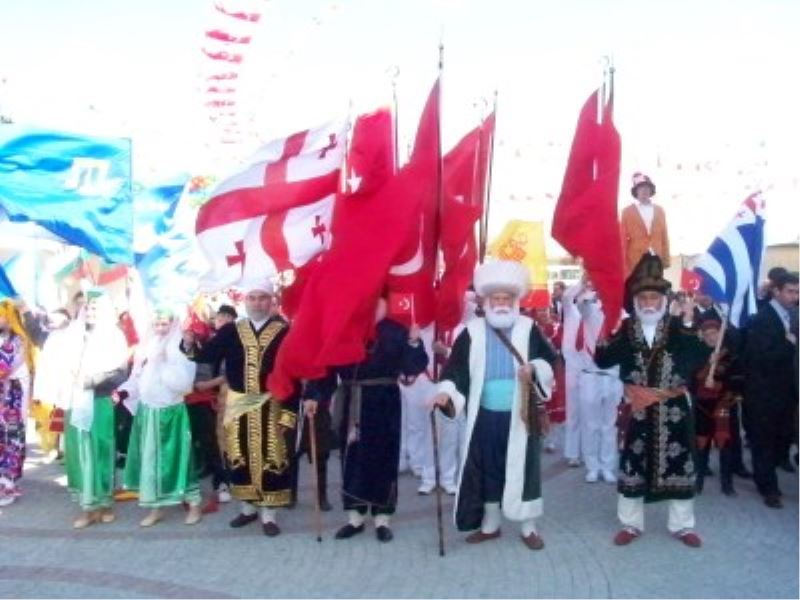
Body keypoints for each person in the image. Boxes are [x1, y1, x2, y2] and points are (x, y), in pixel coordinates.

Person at [430, 260, 556, 551]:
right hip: (484, 415)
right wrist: (446, 392)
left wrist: (534, 369)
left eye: (506, 299)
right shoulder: (471, 332)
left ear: (515, 301)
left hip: (520, 414)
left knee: (525, 469)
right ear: (486, 301)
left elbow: (551, 360)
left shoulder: (529, 328)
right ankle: (491, 524)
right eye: (496, 299)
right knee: (487, 468)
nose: (501, 304)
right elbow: (455, 369)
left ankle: (528, 527)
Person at [594, 254, 709, 548]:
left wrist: (694, 328)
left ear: (663, 299)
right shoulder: (626, 329)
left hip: (673, 409)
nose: (648, 302)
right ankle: (631, 524)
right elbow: (604, 360)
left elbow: (697, 358)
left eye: (653, 297)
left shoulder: (678, 327)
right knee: (633, 463)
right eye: (643, 297)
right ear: (635, 300)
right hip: (639, 411)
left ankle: (682, 526)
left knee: (679, 463)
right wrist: (603, 334)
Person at [303, 297, 428, 543]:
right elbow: (326, 369)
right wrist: (314, 395)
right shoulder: (344, 330)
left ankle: (382, 518)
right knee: (352, 459)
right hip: (352, 402)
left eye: (376, 301)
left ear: (384, 303)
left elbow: (413, 368)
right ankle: (355, 518)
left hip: (385, 403)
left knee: (384, 458)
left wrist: (414, 342)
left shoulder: (396, 330)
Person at [181, 280, 299, 536]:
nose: (257, 302)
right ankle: (247, 509)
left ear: (271, 301)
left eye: (262, 298)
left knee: (273, 457)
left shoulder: (284, 331)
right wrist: (189, 343)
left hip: (272, 403)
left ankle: (269, 514)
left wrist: (290, 413)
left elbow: (294, 372)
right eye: (252, 298)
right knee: (239, 455)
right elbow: (207, 355)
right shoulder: (231, 330)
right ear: (245, 301)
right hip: (239, 404)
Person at [116, 308, 202, 526]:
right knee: (150, 461)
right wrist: (123, 392)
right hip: (147, 412)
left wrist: (164, 362)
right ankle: (156, 506)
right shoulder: (145, 348)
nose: (161, 328)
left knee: (179, 458)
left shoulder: (180, 347)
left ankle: (194, 504)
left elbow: (184, 385)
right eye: (157, 324)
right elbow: (137, 378)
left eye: (165, 324)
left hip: (171, 412)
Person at [64, 289, 129, 528]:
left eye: (95, 308)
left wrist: (91, 380)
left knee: (101, 450)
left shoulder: (113, 336)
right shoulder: (74, 333)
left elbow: (121, 372)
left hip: (99, 400)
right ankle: (87, 506)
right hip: (76, 400)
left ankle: (104, 502)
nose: (90, 312)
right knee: (80, 454)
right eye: (88, 308)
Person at [742, 271, 799, 509]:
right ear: (776, 291)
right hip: (763, 392)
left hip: (787, 392)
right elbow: (758, 358)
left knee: (780, 439)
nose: (795, 296)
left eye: (797, 292)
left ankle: (771, 475)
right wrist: (788, 345)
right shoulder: (762, 318)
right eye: (790, 291)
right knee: (763, 440)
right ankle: (768, 487)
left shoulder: (792, 316)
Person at [570, 279, 623, 484]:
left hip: (612, 376)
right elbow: (580, 305)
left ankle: (608, 466)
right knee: (590, 425)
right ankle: (592, 467)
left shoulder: (622, 315)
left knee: (609, 425)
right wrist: (586, 285)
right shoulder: (591, 308)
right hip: (591, 375)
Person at [690, 319, 744, 496]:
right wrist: (706, 365)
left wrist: (720, 387)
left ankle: (727, 484)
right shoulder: (697, 354)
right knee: (701, 445)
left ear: (720, 334)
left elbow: (737, 382)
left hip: (723, 407)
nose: (711, 338)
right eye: (707, 335)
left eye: (714, 334)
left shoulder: (731, 356)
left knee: (725, 445)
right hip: (702, 407)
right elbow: (690, 380)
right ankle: (698, 481)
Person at [0, 300, 33, 506]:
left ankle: (7, 483)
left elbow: (9, 368)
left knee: (11, 440)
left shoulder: (18, 341)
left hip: (12, 398)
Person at [620, 173, 670, 276]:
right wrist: (623, 263)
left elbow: (664, 236)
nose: (644, 190)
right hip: (635, 260)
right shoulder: (627, 212)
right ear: (636, 191)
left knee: (654, 289)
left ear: (651, 191)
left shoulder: (660, 210)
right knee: (638, 290)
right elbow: (622, 239)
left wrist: (666, 259)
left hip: (656, 260)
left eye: (647, 187)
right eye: (641, 187)